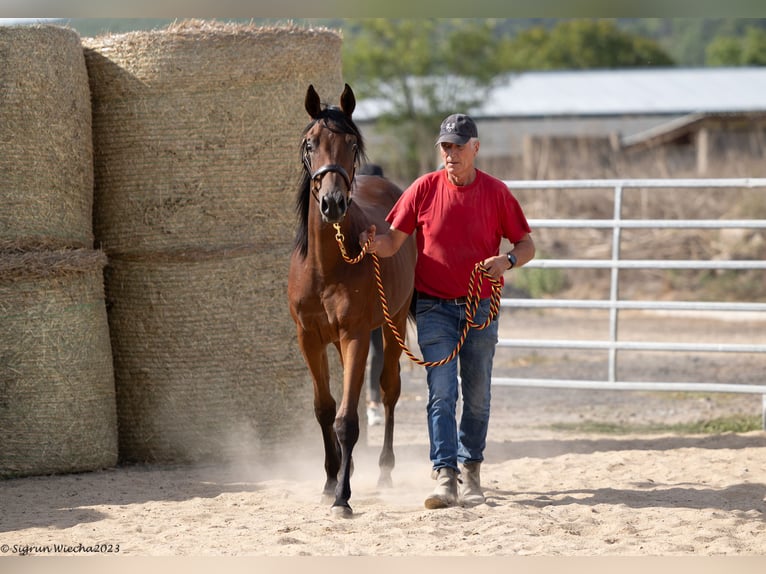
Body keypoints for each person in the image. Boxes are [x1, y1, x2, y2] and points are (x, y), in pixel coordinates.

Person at [359, 114, 535, 509]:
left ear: (475, 147)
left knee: (476, 394)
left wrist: (506, 261)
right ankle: (445, 475)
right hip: (434, 305)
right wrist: (371, 244)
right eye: (445, 147)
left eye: (458, 146)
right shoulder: (423, 189)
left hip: (480, 306)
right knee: (441, 392)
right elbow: (392, 242)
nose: (451, 153)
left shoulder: (496, 193)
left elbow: (526, 245)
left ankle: (471, 469)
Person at [357, 163, 386, 427]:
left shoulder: (385, 217)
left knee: (379, 348)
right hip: (357, 295)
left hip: (377, 295)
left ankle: (374, 400)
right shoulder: (353, 216)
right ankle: (369, 402)